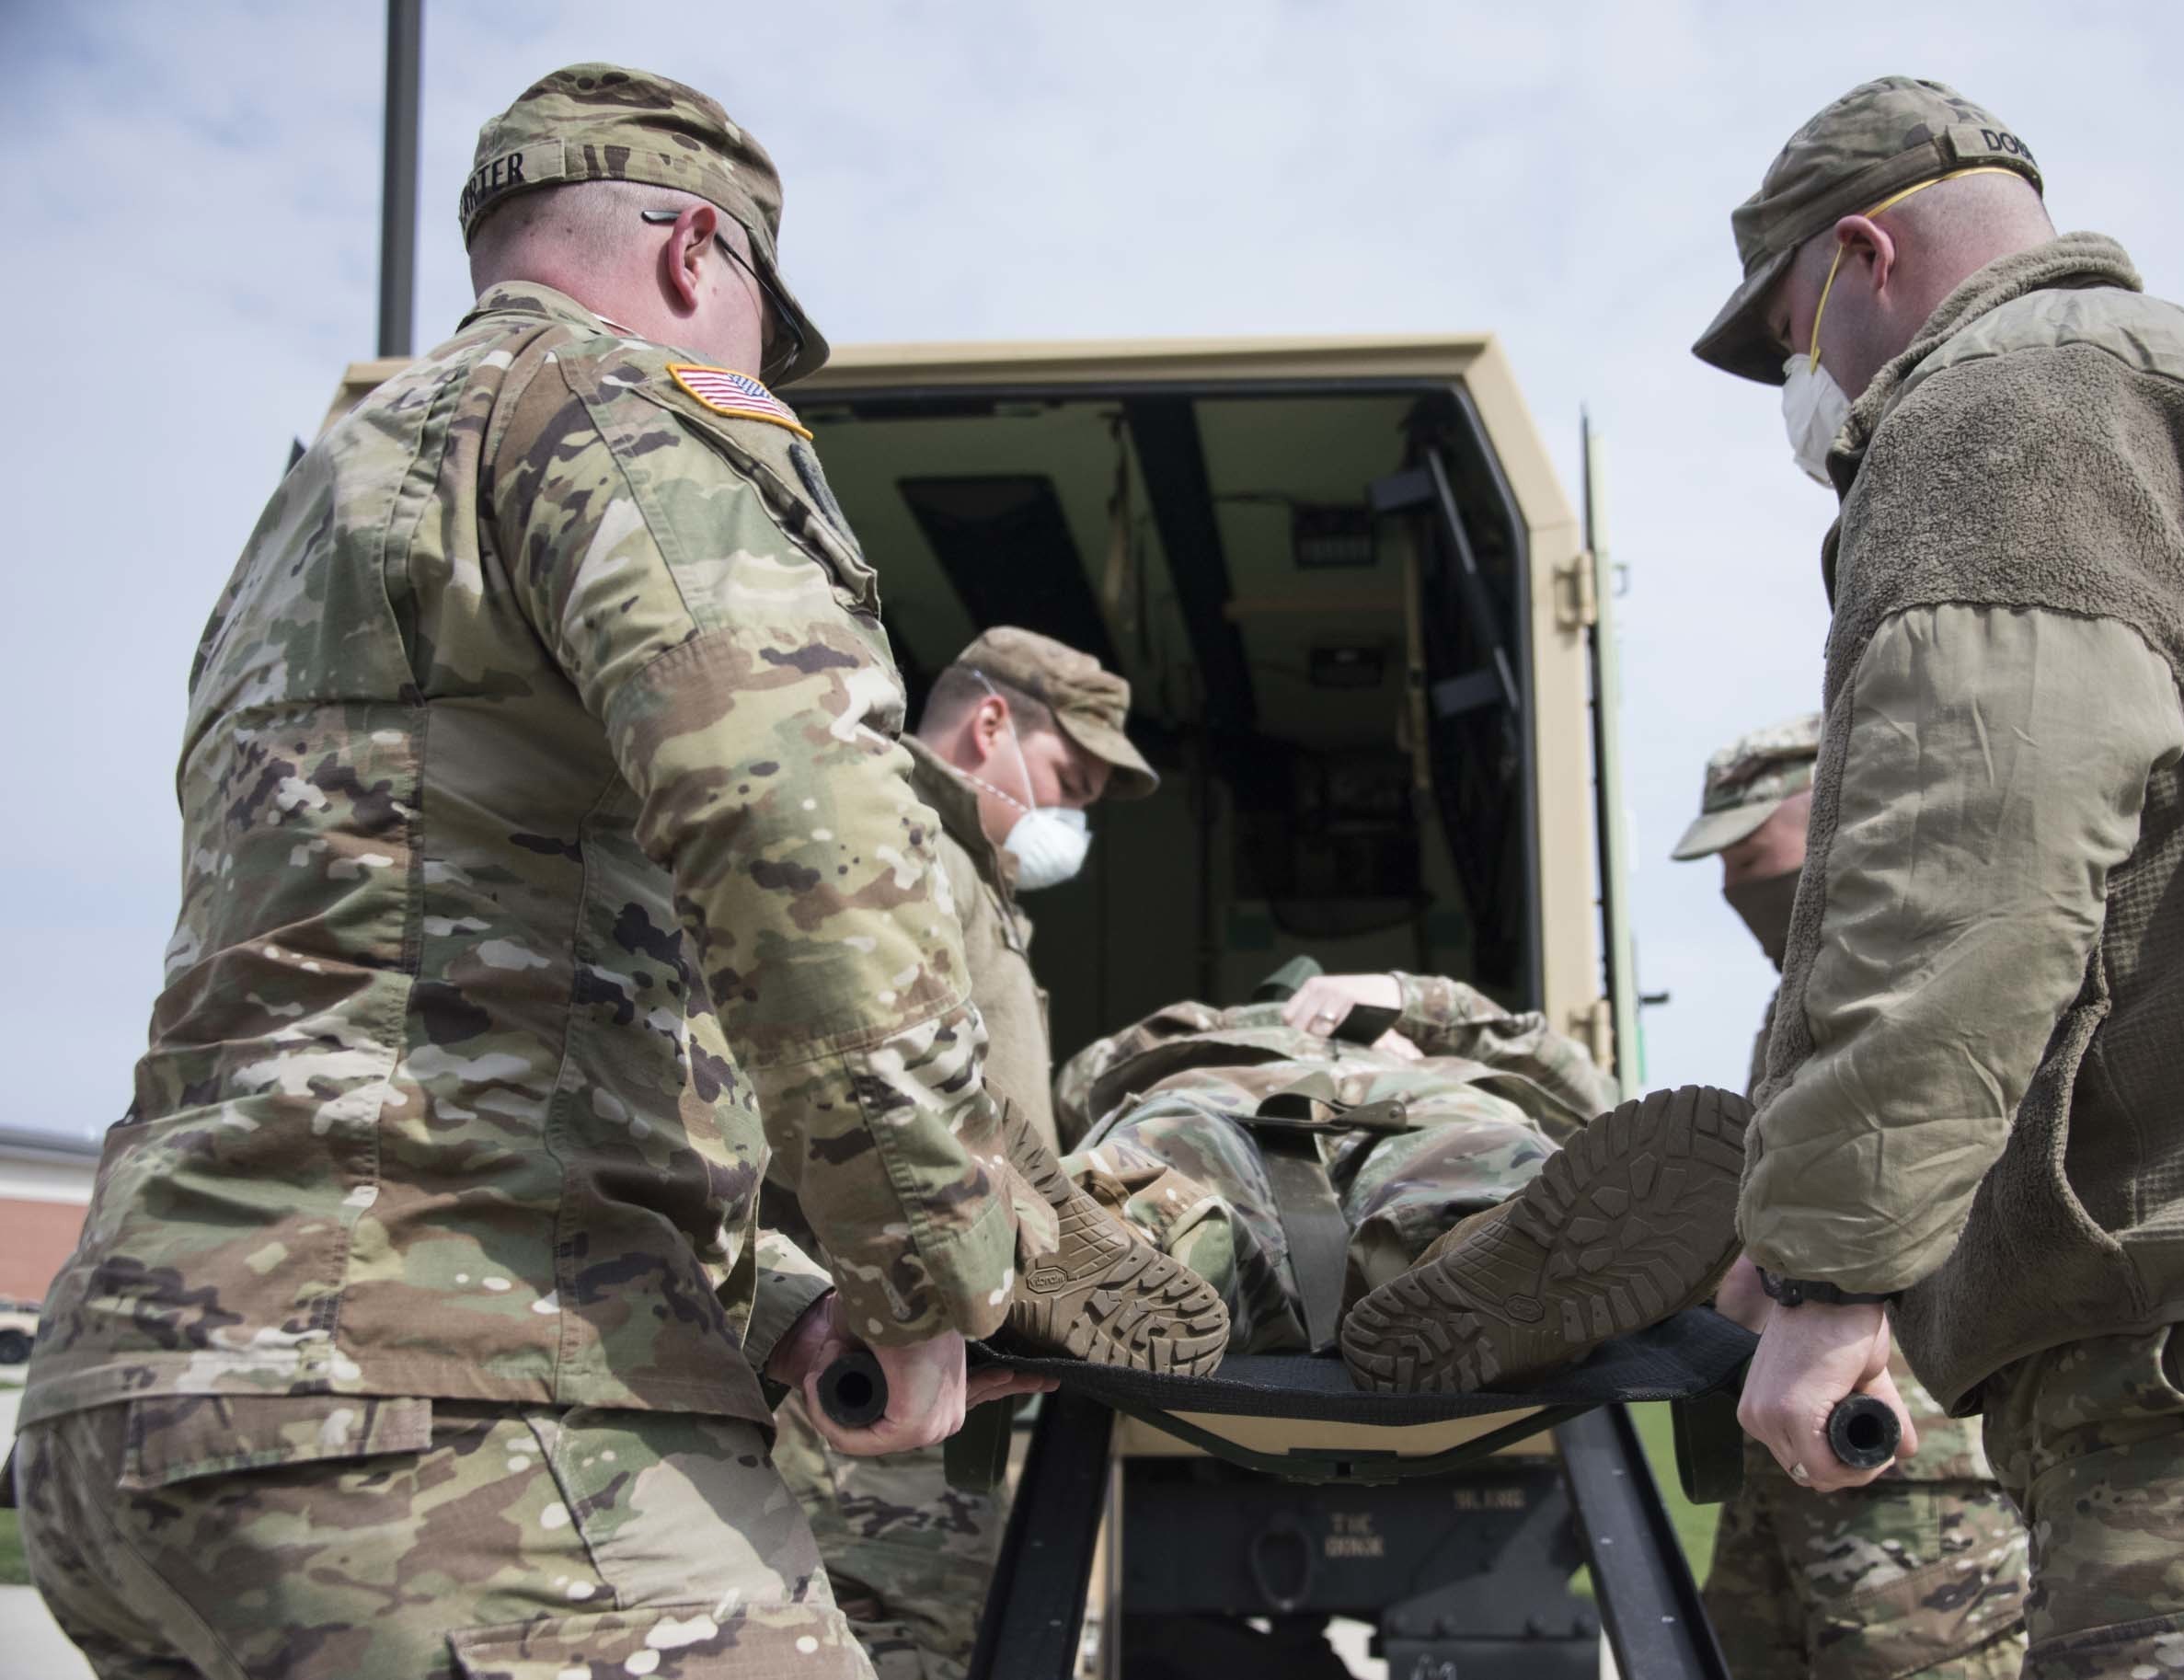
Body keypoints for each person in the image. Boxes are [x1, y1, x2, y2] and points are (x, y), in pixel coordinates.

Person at [9, 63, 1217, 1680]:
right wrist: (929, 1273)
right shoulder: (617, 410)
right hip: (449, 1417)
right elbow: (799, 844)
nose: (750, 366)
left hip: (135, 1416)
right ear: (692, 251)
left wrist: (789, 1300)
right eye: (758, 327)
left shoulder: (313, 511)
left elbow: (427, 1011)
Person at [1681, 75, 2184, 1674]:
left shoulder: (2006, 398)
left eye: (1793, 338)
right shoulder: (2160, 389)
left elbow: (1966, 866)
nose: (1806, 389)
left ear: (1864, 258)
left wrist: (1829, 1263)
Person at [768, 627, 1161, 1679]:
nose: (1070, 819)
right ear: (993, 723)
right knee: (889, 1639)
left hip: (928, 1359)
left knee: (936, 1638)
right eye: (1068, 781)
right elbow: (833, 1083)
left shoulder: (973, 880)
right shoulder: (893, 844)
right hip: (867, 1351)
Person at [1678, 717, 2027, 1680]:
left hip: (1907, 1453)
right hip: (1784, 1434)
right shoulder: (1799, 1001)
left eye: (1750, 852)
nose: (1733, 886)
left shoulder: (1937, 963)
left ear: (1833, 805)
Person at [1052, 966, 1746, 1384]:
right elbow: (1081, 1085)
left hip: (1423, 1095)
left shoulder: (1428, 1038)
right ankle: (1122, 1249)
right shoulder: (1200, 1027)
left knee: (1486, 1166)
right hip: (1229, 1090)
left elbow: (1575, 1077)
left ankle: (1483, 1269)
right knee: (1164, 1157)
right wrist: (1222, 1028)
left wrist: (1404, 1000)